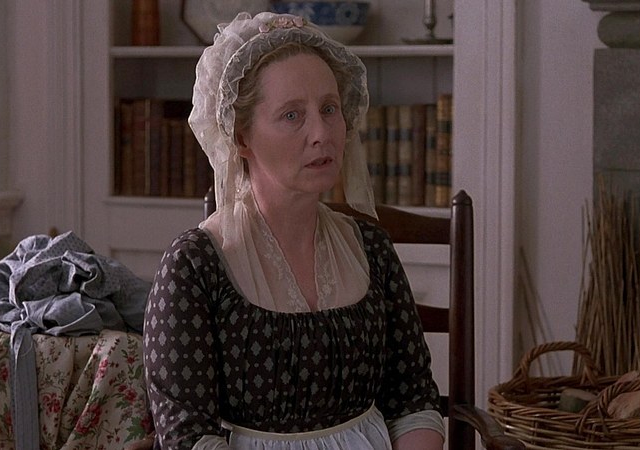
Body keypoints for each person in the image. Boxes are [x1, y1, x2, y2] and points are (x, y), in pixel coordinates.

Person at [142, 11, 445, 450]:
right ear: (241, 137)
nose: (322, 133)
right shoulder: (195, 266)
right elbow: (186, 434)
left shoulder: (372, 248)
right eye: (292, 115)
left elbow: (412, 399)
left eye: (329, 109)